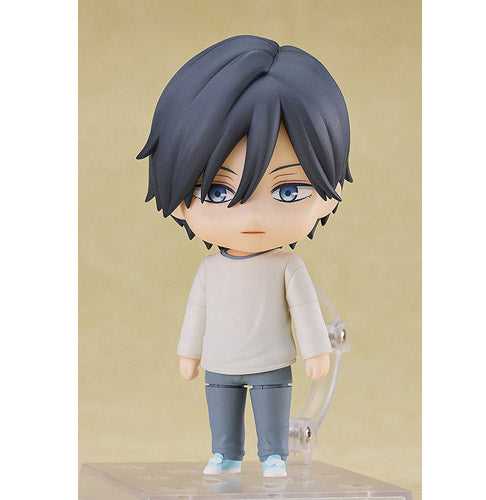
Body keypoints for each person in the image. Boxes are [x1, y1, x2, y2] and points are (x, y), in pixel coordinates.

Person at [137, 35, 352, 477]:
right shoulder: (210, 269)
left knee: (272, 407)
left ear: (328, 195)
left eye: (287, 191)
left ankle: (274, 454)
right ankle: (226, 454)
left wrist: (317, 350)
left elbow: (306, 309)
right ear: (179, 202)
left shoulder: (288, 266)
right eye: (217, 191)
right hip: (220, 361)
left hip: (272, 361)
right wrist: (188, 353)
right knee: (222, 408)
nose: (251, 216)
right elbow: (197, 312)